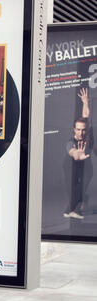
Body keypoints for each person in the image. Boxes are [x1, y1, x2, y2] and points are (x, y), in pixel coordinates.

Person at [63, 88, 93, 220]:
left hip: (85, 165)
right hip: (71, 165)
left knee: (82, 186)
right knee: (74, 188)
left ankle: (72, 210)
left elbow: (86, 116)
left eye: (83, 130)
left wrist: (85, 102)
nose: (81, 133)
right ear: (74, 129)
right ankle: (73, 210)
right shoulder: (71, 141)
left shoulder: (86, 136)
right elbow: (71, 150)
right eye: (78, 130)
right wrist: (76, 154)